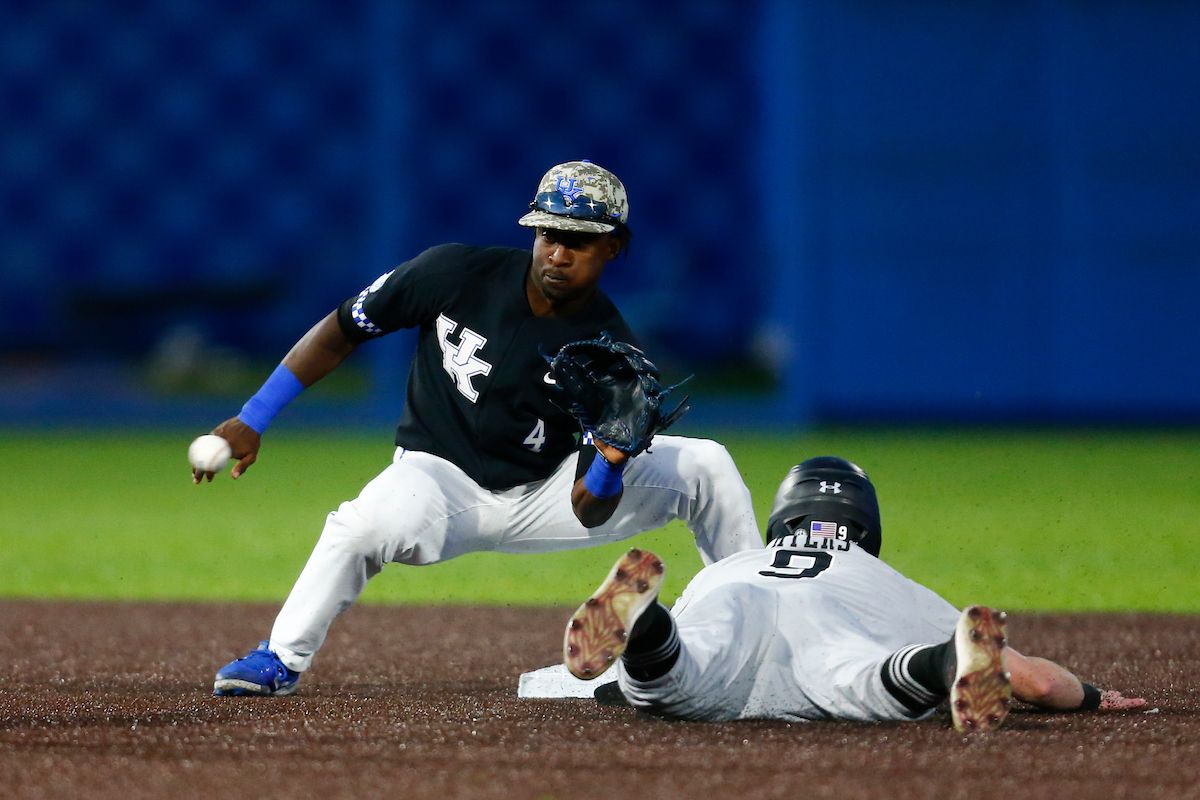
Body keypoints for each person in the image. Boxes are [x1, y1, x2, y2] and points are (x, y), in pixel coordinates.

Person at [198, 160, 764, 696]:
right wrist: (253, 418)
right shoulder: (453, 273)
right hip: (438, 477)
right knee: (360, 526)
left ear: (614, 246)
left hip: (548, 489)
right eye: (548, 234)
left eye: (580, 241)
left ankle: (754, 628)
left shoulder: (611, 351)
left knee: (706, 466)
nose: (559, 252)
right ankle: (282, 658)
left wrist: (611, 464)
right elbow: (343, 328)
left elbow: (588, 508)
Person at [561, 456, 1144, 731]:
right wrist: (1091, 696)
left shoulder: (732, 567)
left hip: (738, 606)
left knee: (670, 676)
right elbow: (1036, 682)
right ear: (867, 526)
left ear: (784, 518)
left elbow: (618, 692)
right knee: (874, 683)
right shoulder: (887, 582)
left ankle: (646, 626)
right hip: (833, 643)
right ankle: (942, 661)